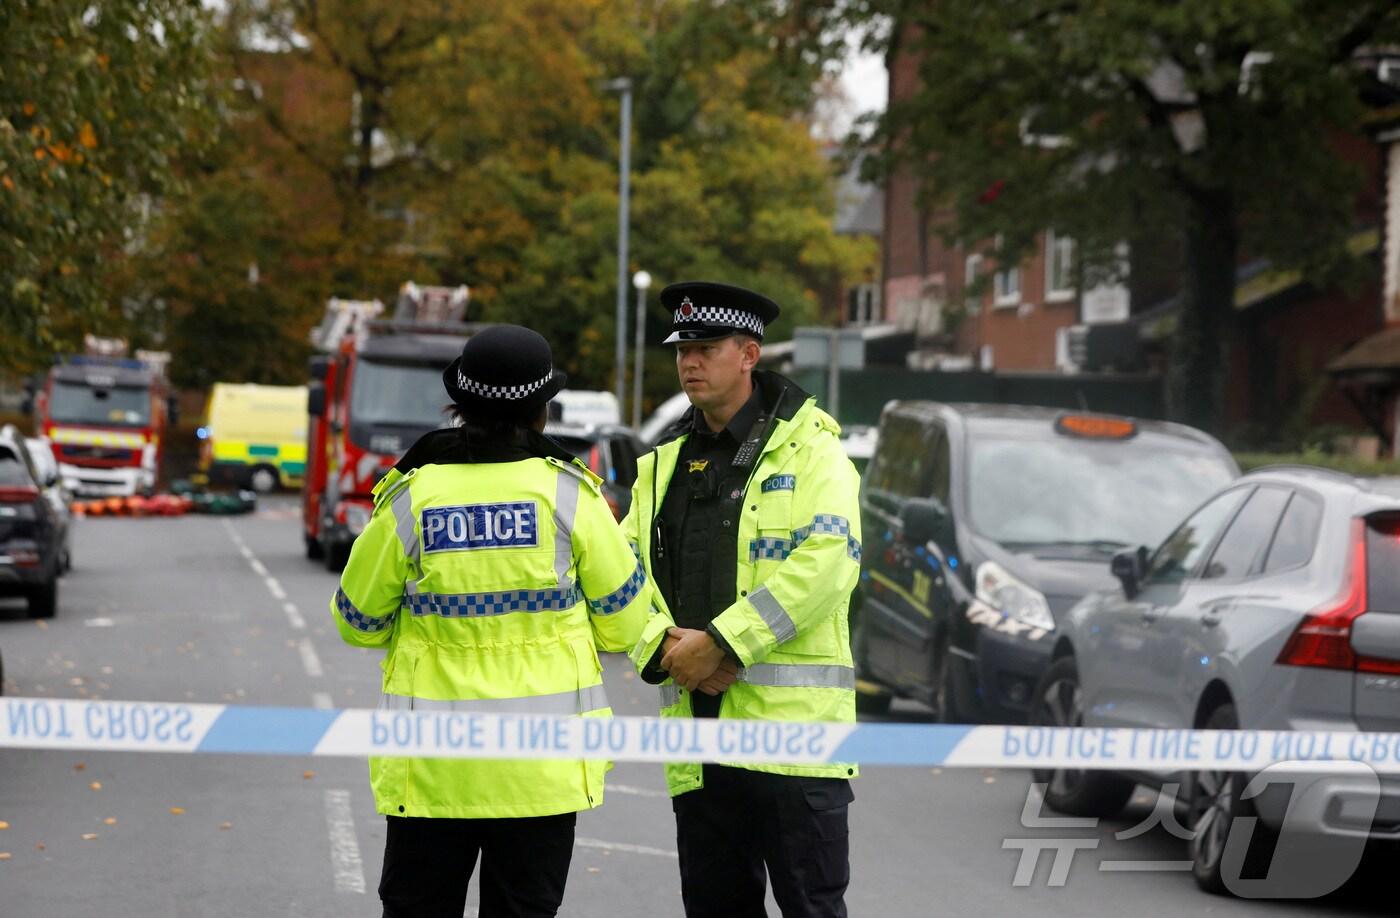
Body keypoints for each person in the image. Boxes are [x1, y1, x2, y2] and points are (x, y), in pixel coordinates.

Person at [330, 324, 648, 918]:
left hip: (432, 774)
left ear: (459, 405)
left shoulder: (413, 496)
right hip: (541, 776)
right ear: (541, 410)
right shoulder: (572, 495)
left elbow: (356, 620)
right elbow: (627, 627)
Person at [623, 281, 863, 917]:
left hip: (795, 746)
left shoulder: (813, 449)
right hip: (699, 744)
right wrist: (666, 649)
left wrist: (723, 644)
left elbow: (828, 564)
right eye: (682, 349)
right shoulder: (663, 463)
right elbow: (621, 579)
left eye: (705, 347)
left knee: (812, 908)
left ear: (749, 353)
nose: (689, 362)